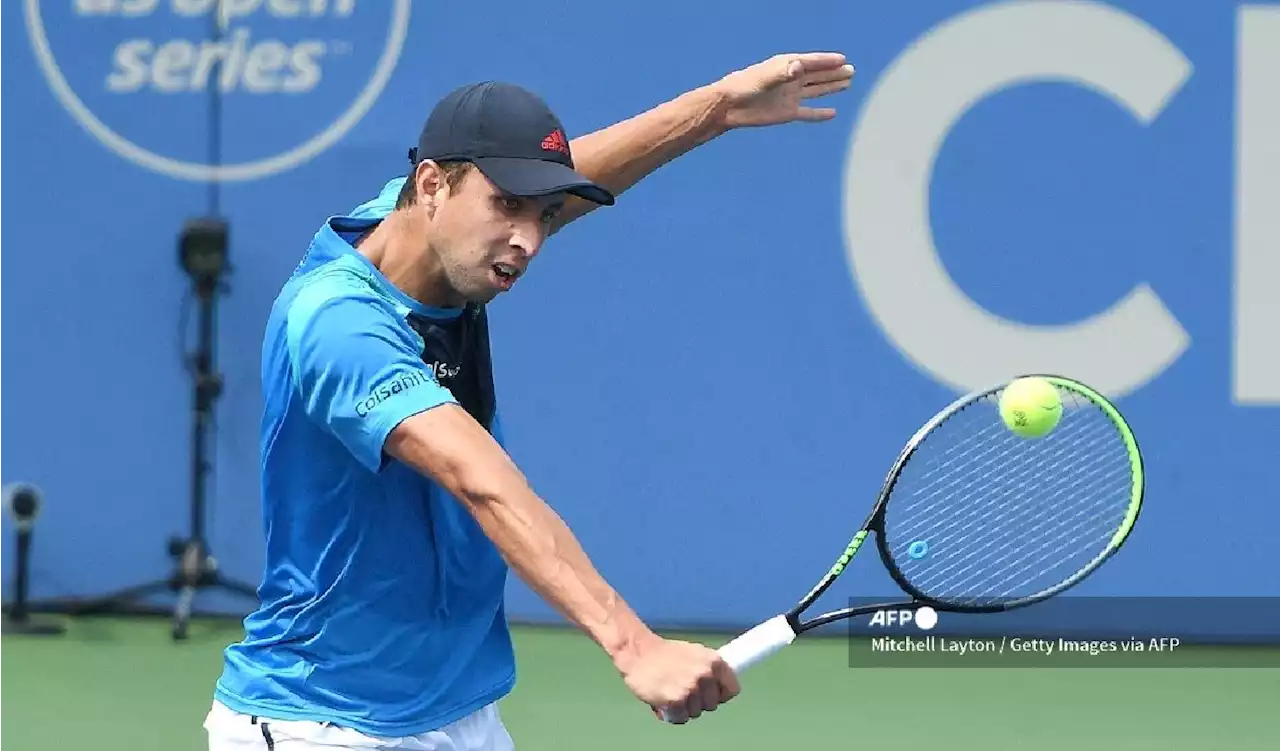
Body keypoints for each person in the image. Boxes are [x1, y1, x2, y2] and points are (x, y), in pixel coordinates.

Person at [204, 52, 854, 751]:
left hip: (456, 712)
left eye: (544, 213)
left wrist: (717, 108)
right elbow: (481, 484)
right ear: (430, 185)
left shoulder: (424, 225)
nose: (529, 240)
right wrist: (633, 645)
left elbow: (565, 180)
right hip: (324, 721)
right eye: (507, 206)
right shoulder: (339, 324)